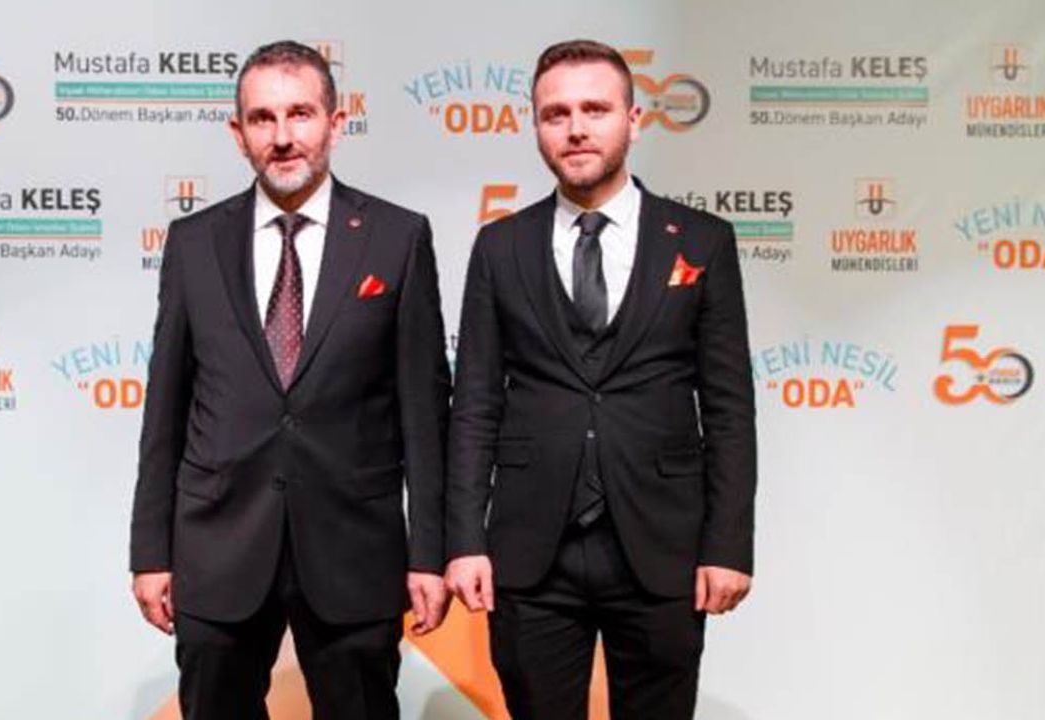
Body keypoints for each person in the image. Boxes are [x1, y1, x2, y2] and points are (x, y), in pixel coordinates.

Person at [128, 40, 451, 720]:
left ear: (336, 122)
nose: (282, 136)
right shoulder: (193, 242)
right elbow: (165, 411)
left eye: (300, 114)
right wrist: (150, 552)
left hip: (353, 551)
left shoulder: (397, 238)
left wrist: (429, 555)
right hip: (217, 548)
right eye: (263, 118)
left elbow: (425, 416)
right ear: (238, 132)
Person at [444, 39, 757, 720]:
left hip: (662, 545)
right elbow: (474, 404)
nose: (576, 128)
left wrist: (728, 545)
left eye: (595, 109)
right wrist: (464, 539)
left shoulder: (701, 240)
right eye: (556, 114)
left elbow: (730, 407)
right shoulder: (500, 246)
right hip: (531, 550)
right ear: (536, 128)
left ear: (634, 120)